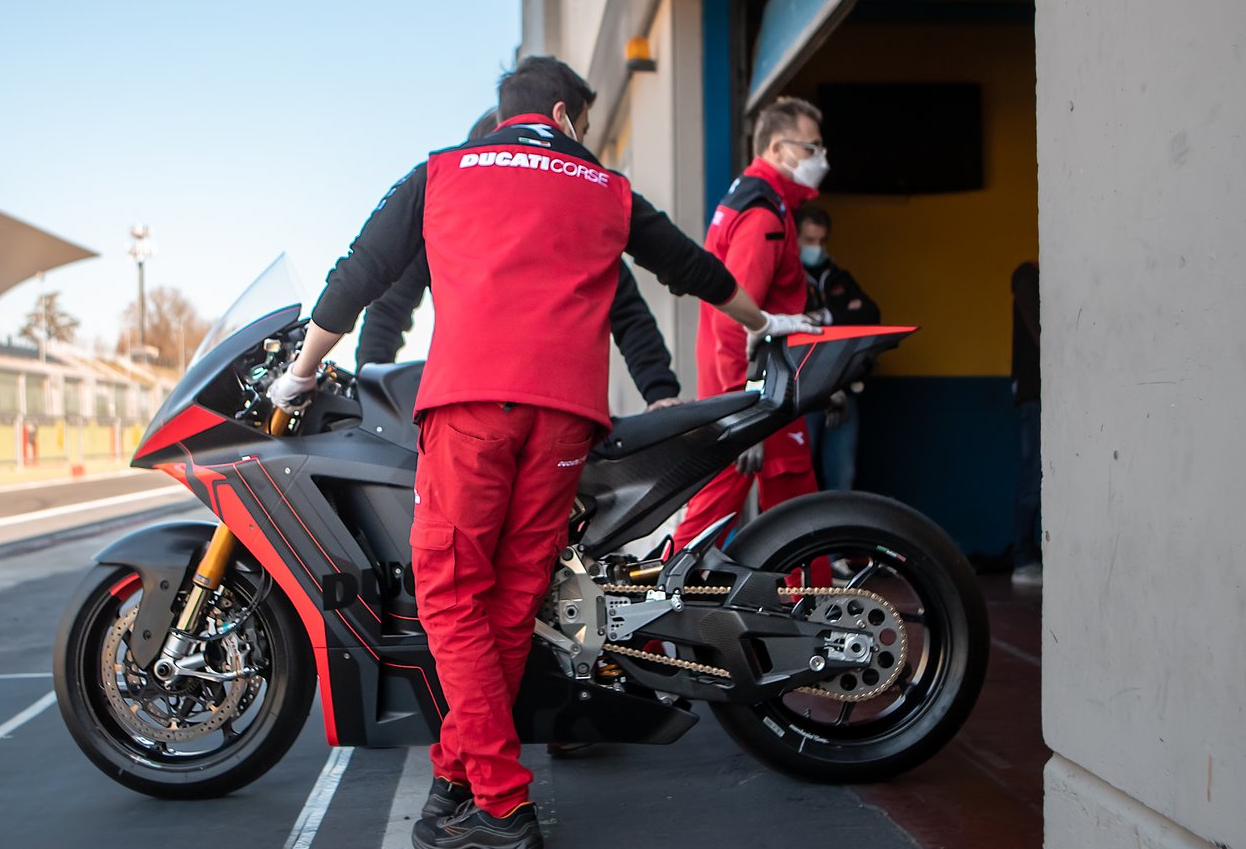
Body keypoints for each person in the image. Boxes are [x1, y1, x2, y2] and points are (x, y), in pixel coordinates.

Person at [269, 57, 813, 849]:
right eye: (583, 126)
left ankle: (499, 802)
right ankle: (457, 774)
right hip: (564, 419)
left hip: (472, 408)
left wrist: (302, 370)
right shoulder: (604, 187)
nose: (582, 140)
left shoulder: (443, 172)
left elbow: (360, 276)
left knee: (451, 594)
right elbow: (689, 268)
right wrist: (763, 322)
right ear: (562, 115)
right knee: (512, 599)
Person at [357, 111, 684, 410]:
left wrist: (660, 392)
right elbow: (389, 310)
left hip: (541, 407)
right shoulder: (445, 232)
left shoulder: (570, 233)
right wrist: (369, 390)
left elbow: (628, 314)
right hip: (495, 404)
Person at [669, 97, 830, 552]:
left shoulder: (759, 199)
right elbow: (733, 317)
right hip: (759, 392)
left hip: (755, 391)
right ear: (778, 149)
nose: (821, 160)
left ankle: (669, 589)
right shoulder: (763, 215)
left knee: (741, 509)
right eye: (811, 148)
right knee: (791, 519)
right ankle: (666, 590)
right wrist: (743, 415)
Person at [796, 206, 881, 491]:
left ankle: (837, 524)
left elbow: (870, 314)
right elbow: (793, 323)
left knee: (843, 478)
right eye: (809, 240)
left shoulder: (838, 278)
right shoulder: (789, 278)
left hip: (843, 387)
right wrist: (844, 314)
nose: (817, 248)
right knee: (799, 478)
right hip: (803, 393)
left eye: (822, 241)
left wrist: (824, 316)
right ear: (795, 238)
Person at [1010, 260, 1042, 586]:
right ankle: (1023, 557)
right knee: (1035, 475)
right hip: (1037, 392)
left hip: (1040, 392)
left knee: (1038, 474)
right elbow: (1041, 334)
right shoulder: (1028, 278)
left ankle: (1028, 554)